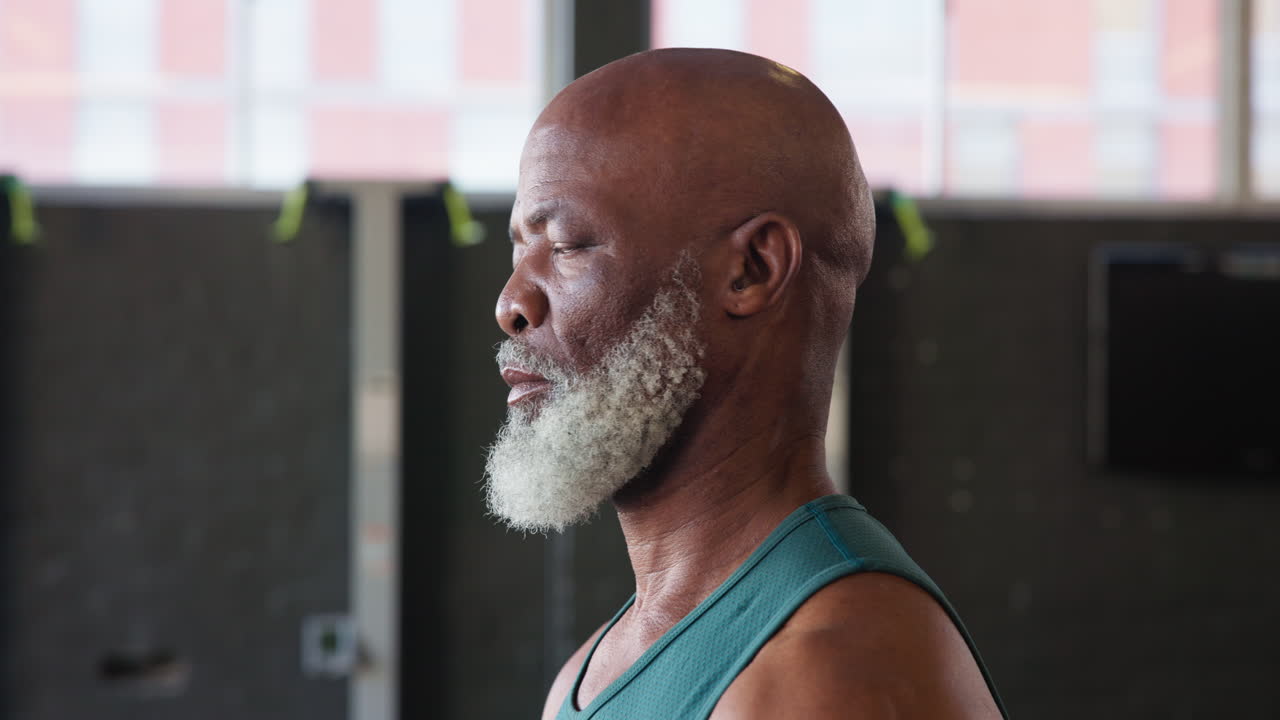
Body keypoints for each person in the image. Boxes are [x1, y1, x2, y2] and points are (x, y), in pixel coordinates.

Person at [485, 48, 1007, 720]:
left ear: (751, 272)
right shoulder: (586, 678)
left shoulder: (827, 672)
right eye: (517, 250)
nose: (511, 303)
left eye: (566, 245)